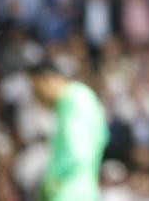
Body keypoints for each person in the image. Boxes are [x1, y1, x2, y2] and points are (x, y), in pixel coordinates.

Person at [29, 58, 109, 201]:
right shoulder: (83, 96)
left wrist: (53, 181)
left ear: (48, 80)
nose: (37, 97)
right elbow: (103, 136)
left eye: (36, 88)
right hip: (87, 189)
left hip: (69, 191)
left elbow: (76, 150)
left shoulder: (72, 100)